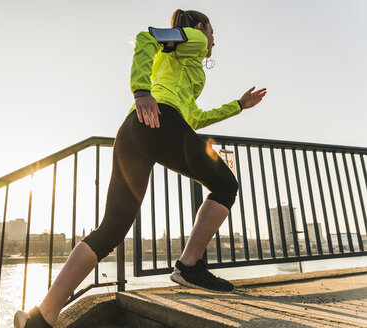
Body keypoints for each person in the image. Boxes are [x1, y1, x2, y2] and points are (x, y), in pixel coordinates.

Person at [14, 8, 266, 328]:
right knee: (226, 184)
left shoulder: (182, 62)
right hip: (157, 121)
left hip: (134, 130)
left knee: (112, 229)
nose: (213, 39)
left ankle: (42, 317)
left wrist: (238, 106)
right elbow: (148, 37)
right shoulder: (194, 38)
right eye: (212, 32)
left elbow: (195, 118)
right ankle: (189, 267)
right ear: (201, 27)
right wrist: (141, 91)